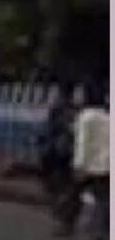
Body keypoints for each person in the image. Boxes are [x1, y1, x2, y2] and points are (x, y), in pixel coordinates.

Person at [62, 84, 109, 240]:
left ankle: (67, 225)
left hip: (87, 164)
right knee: (102, 199)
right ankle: (99, 230)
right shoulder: (107, 117)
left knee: (73, 194)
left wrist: (78, 165)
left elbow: (81, 143)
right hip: (104, 164)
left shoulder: (86, 117)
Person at [42, 85, 80, 231]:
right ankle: (62, 211)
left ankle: (64, 215)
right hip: (61, 151)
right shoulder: (68, 111)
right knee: (60, 182)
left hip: (61, 151)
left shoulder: (62, 111)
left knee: (62, 183)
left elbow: (53, 129)